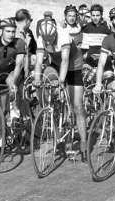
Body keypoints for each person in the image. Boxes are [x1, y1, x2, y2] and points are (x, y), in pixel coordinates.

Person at [34, 18, 87, 161]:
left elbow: (65, 61)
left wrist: (61, 81)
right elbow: (39, 62)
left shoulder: (63, 35)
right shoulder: (41, 38)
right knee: (46, 78)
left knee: (77, 106)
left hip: (73, 65)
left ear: (55, 33)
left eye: (51, 38)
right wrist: (37, 79)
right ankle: (52, 111)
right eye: (46, 39)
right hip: (56, 65)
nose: (48, 42)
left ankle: (83, 143)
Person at [81, 4, 111, 68]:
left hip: (104, 59)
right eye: (93, 15)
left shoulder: (107, 27)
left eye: (97, 15)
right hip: (90, 60)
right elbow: (84, 47)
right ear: (91, 15)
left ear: (101, 15)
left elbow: (111, 45)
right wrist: (87, 55)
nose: (95, 18)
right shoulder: (87, 27)